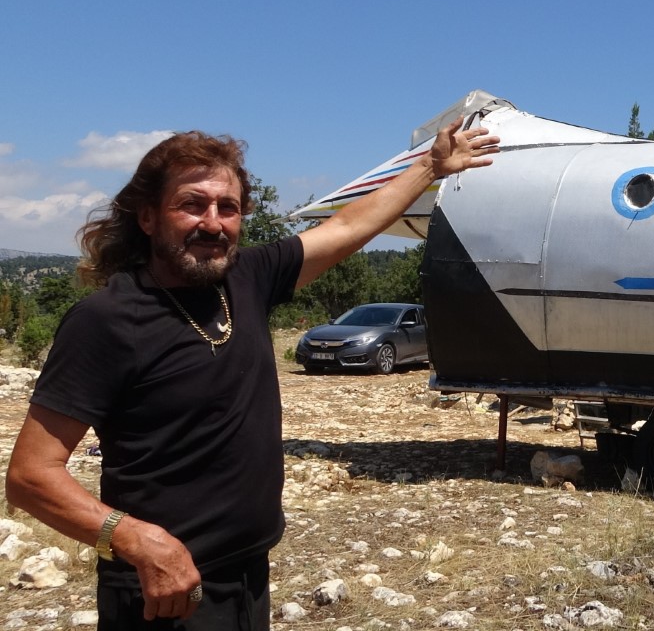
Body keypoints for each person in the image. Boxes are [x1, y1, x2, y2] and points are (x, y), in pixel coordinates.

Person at [5, 118, 499, 628]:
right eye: (192, 204)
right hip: (163, 590)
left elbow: (347, 227)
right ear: (148, 217)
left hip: (247, 576)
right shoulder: (107, 320)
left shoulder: (247, 278)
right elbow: (30, 476)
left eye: (228, 207)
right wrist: (136, 540)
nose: (213, 223)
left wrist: (430, 168)